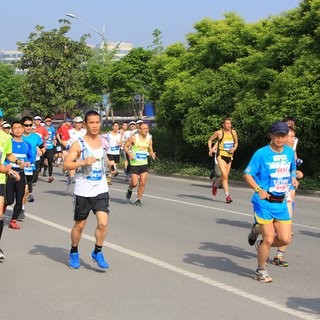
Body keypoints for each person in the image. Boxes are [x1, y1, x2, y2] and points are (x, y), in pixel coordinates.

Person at [243, 121, 297, 283]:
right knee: (269, 238)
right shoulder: (261, 154)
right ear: (271, 135)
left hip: (281, 203)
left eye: (283, 135)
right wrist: (259, 190)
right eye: (277, 135)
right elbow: (247, 174)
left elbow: (292, 167)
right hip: (264, 203)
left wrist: (293, 178)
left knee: (286, 239)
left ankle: (259, 236)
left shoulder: (288, 152)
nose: (280, 138)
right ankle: (261, 271)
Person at [64, 110, 112, 269]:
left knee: (103, 223)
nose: (95, 126)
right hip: (83, 190)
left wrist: (109, 166)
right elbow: (66, 164)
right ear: (85, 124)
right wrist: (83, 162)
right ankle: (74, 252)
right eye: (91, 122)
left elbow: (104, 158)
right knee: (80, 225)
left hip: (100, 189)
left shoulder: (104, 141)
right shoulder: (79, 143)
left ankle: (97, 252)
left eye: (97, 122)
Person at [4, 121, 33, 229]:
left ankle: (13, 220)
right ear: (11, 130)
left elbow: (31, 157)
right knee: (9, 199)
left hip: (21, 173)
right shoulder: (8, 142)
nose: (18, 129)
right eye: (15, 128)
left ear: (23, 129)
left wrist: (29, 162)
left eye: (19, 127)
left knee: (20, 198)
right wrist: (7, 165)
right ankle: (1, 214)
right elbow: (4, 157)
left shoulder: (27, 144)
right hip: (10, 173)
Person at [0, 126, 22, 259]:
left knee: (0, 213)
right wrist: (8, 170)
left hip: (0, 179)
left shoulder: (6, 138)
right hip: (3, 171)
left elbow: (8, 155)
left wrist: (18, 161)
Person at [124, 123, 156, 206]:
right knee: (134, 183)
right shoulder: (134, 138)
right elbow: (125, 147)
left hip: (144, 163)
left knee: (142, 182)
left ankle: (138, 199)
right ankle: (130, 188)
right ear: (139, 129)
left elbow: (150, 150)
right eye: (144, 128)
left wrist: (152, 154)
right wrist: (130, 154)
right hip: (135, 164)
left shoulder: (149, 139)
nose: (146, 130)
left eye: (147, 128)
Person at [208, 118, 238, 203]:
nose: (229, 125)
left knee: (225, 176)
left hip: (230, 157)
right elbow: (210, 140)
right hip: (221, 156)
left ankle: (215, 184)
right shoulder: (219, 133)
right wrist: (210, 149)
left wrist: (234, 148)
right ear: (223, 125)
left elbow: (236, 143)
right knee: (225, 175)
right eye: (227, 123)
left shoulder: (233, 132)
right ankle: (227, 196)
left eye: (230, 124)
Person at [22, 116, 45, 203]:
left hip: (32, 165)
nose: (28, 127)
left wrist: (42, 151)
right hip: (21, 165)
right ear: (22, 126)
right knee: (24, 188)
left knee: (29, 185)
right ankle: (21, 208)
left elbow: (42, 147)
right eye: (26, 125)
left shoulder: (36, 137)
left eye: (30, 125)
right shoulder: (18, 136)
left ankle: (27, 196)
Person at [65, 116, 86, 190]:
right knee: (72, 174)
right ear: (74, 123)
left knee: (82, 173)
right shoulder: (70, 132)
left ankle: (79, 190)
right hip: (73, 154)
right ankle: (69, 179)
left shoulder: (85, 131)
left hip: (82, 154)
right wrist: (68, 147)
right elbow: (63, 141)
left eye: (81, 122)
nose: (80, 124)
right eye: (78, 123)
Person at [42, 116, 56, 183]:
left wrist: (54, 140)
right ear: (45, 121)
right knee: (41, 162)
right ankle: (43, 169)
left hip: (50, 147)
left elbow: (53, 136)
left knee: (50, 161)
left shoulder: (52, 128)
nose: (48, 122)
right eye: (47, 121)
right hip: (43, 147)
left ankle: (50, 176)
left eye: (49, 121)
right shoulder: (42, 128)